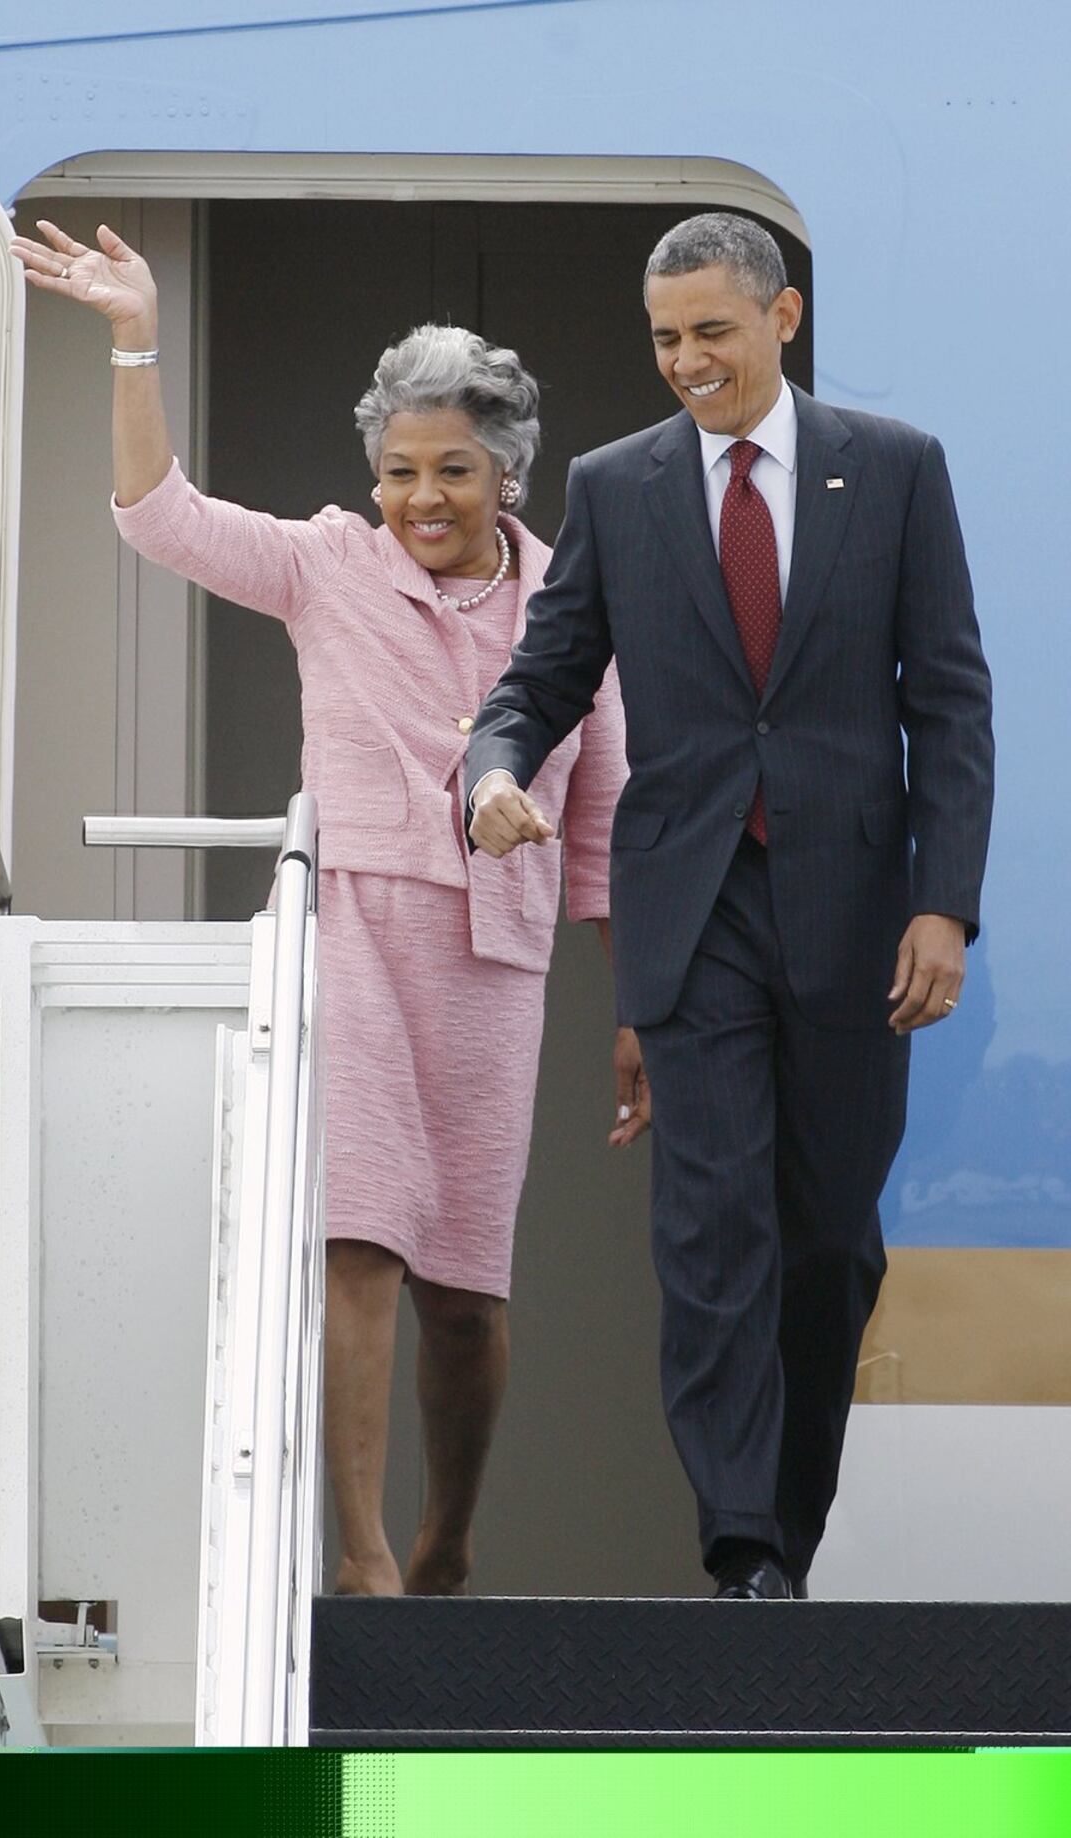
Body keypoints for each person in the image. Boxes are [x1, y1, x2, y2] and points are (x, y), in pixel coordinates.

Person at [10, 218, 636, 1597]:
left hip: (494, 962)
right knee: (359, 1242)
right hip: (353, 934)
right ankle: (358, 1557)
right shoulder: (325, 564)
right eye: (400, 470)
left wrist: (637, 1005)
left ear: (508, 474)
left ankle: (445, 1539)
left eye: (453, 472)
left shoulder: (571, 607)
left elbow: (602, 823)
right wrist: (135, 340)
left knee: (465, 1294)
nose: (422, 496)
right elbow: (154, 513)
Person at [466, 213, 993, 1600]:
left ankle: (791, 1530)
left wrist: (944, 904)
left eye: (712, 330)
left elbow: (948, 700)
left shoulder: (891, 469)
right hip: (690, 913)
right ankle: (742, 1546)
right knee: (712, 1234)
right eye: (664, 337)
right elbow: (541, 677)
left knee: (825, 1243)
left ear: (784, 317)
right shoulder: (617, 484)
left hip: (853, 912)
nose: (686, 360)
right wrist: (494, 769)